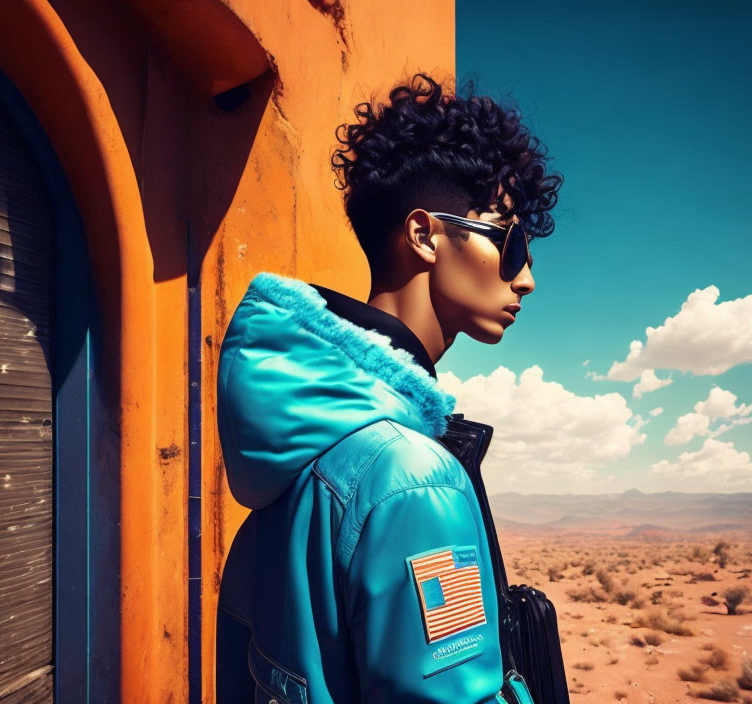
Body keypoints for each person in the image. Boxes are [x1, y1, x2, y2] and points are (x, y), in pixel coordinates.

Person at [215, 72, 562, 704]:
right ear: (426, 234)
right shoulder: (411, 476)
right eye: (510, 245)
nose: (527, 280)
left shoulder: (296, 451)